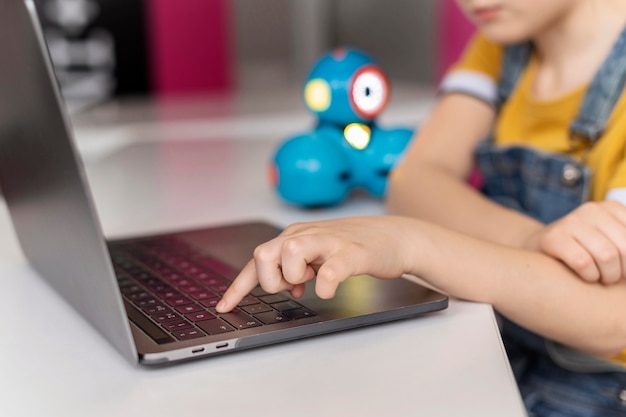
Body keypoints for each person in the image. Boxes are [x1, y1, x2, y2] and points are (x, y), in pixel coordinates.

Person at [216, 1, 626, 415]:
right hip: (505, 342)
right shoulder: (504, 42)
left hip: (600, 385)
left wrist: (411, 242)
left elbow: (611, 318)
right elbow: (414, 179)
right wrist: (533, 240)